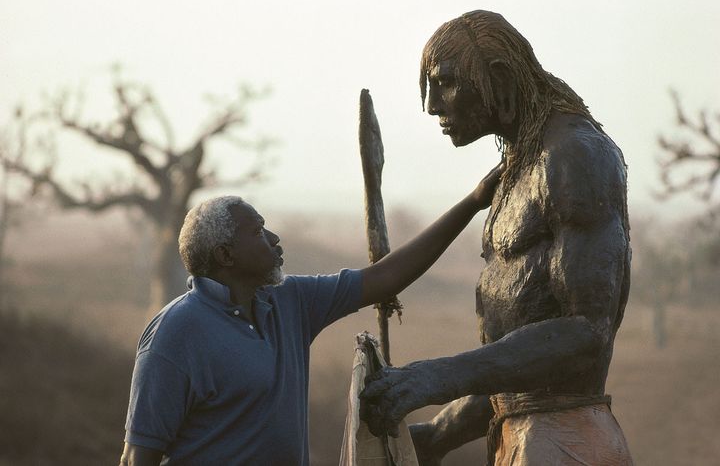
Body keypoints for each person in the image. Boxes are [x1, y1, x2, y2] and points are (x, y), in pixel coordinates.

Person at [360, 9, 633, 465]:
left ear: (499, 78)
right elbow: (514, 370)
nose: (433, 104)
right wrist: (436, 436)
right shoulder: (518, 166)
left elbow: (586, 333)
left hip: (565, 442)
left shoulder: (573, 155)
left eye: (446, 82)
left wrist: (440, 375)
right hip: (526, 437)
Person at [119, 162, 503, 466]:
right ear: (225, 255)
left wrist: (472, 202)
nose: (274, 239)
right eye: (257, 232)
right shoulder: (176, 333)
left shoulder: (289, 301)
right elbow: (139, 456)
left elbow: (385, 277)